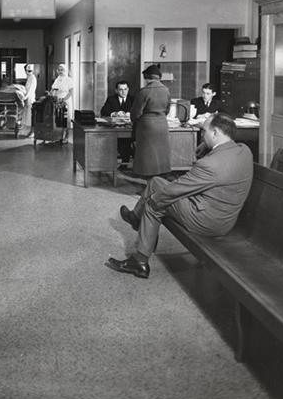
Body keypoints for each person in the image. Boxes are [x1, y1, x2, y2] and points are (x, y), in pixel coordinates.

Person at [106, 112, 253, 279]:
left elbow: (176, 189)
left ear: (215, 133)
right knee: (156, 182)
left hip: (206, 220)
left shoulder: (210, 165)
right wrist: (206, 146)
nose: (202, 135)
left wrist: (152, 201)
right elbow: (221, 155)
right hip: (225, 219)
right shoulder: (244, 150)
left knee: (154, 203)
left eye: (204, 131)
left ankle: (140, 262)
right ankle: (135, 217)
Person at [130, 64, 171, 176]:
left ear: (147, 78)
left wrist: (134, 120)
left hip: (147, 126)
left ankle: (148, 180)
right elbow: (167, 110)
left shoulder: (144, 91)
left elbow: (136, 113)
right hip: (162, 124)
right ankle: (160, 178)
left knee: (147, 155)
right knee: (160, 154)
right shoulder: (166, 90)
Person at [100, 80, 134, 164]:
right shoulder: (111, 99)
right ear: (116, 90)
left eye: (125, 89)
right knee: (120, 141)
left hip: (130, 128)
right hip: (115, 129)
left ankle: (125, 161)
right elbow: (103, 111)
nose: (123, 92)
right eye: (121, 89)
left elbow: (137, 111)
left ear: (128, 89)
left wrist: (130, 113)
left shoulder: (133, 99)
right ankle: (123, 162)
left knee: (126, 141)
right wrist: (114, 113)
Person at [50, 64, 74, 143]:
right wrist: (51, 95)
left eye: (62, 70)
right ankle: (58, 136)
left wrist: (64, 99)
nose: (60, 71)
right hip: (58, 100)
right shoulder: (57, 79)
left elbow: (71, 92)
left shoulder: (69, 80)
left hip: (66, 101)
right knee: (58, 119)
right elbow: (53, 89)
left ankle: (66, 137)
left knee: (65, 119)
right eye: (59, 70)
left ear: (65, 70)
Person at [21, 64, 37, 137]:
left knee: (31, 116)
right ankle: (29, 131)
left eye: (29, 71)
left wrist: (25, 98)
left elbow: (30, 90)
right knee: (27, 115)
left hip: (30, 98)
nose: (27, 72)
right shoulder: (29, 78)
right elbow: (26, 88)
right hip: (27, 98)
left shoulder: (32, 78)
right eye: (27, 71)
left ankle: (32, 132)